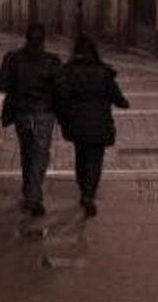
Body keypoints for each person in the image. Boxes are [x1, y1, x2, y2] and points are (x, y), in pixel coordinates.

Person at [55, 36, 129, 217]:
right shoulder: (104, 73)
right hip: (100, 123)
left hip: (77, 124)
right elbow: (119, 100)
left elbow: (61, 97)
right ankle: (89, 194)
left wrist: (64, 117)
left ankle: (84, 191)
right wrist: (123, 102)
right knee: (95, 160)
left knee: (81, 157)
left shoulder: (68, 72)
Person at [0, 23, 61, 217]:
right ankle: (33, 198)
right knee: (39, 155)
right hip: (43, 114)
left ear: (27, 38)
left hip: (22, 115)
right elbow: (62, 87)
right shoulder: (51, 61)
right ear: (43, 40)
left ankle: (29, 194)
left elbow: (1, 85)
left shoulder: (13, 59)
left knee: (27, 154)